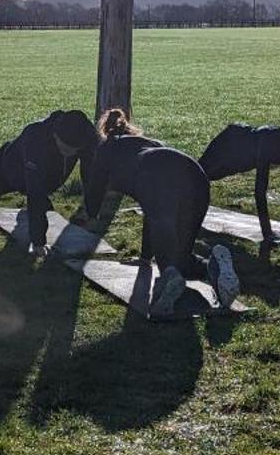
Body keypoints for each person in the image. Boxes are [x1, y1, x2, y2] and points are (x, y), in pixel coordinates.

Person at [83, 110, 239, 317]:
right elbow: (152, 213)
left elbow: (95, 186)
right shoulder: (151, 142)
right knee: (180, 252)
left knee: (166, 245)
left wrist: (92, 214)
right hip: (195, 173)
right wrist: (146, 258)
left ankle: (169, 276)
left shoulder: (108, 147)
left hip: (153, 171)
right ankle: (213, 266)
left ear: (105, 131)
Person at [0, 109, 98, 254]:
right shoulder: (35, 136)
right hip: (13, 165)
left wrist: (91, 212)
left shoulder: (87, 136)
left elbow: (91, 175)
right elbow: (35, 190)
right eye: (66, 148)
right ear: (55, 135)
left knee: (42, 195)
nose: (71, 153)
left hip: (50, 172)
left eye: (75, 150)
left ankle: (39, 209)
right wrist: (38, 242)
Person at [197, 121, 280, 244]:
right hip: (230, 143)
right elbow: (259, 191)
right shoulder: (269, 142)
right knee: (199, 175)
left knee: (202, 176)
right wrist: (267, 233)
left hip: (245, 156)